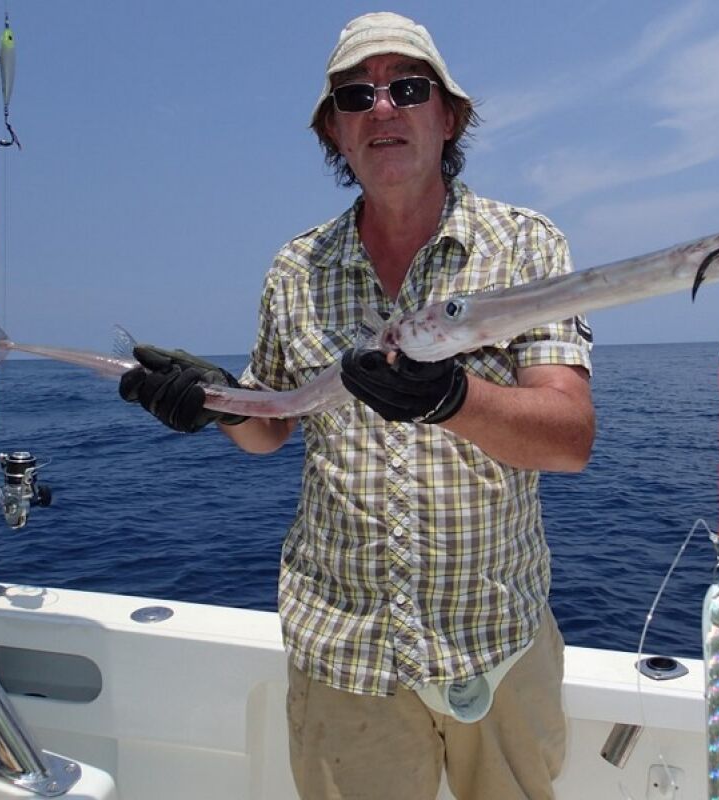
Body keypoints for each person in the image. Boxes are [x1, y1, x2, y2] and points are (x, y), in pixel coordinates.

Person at [119, 12, 595, 799]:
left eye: (407, 89)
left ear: (448, 117)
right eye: (354, 96)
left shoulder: (527, 245)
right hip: (342, 647)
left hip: (495, 639)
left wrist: (452, 397)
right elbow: (272, 425)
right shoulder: (295, 269)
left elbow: (568, 438)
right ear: (334, 132)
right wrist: (214, 404)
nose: (381, 108)